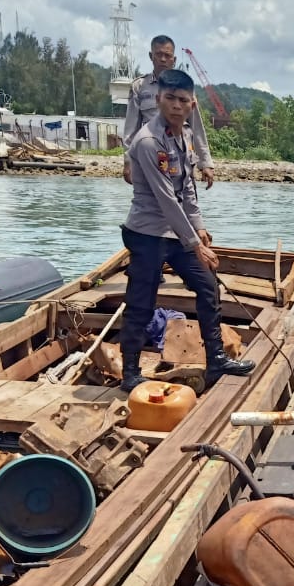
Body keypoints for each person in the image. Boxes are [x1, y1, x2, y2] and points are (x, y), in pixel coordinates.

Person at [119, 69, 254, 391]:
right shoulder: (148, 142)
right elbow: (166, 199)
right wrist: (195, 243)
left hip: (178, 234)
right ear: (158, 99)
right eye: (170, 99)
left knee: (208, 287)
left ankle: (217, 360)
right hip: (148, 233)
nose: (176, 106)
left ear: (192, 104)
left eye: (183, 100)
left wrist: (200, 228)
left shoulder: (186, 136)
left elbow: (188, 190)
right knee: (142, 300)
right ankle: (130, 372)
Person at [122, 35, 214, 189]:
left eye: (167, 55)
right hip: (151, 155)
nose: (163, 59)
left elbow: (196, 127)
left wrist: (205, 163)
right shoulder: (139, 86)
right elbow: (131, 129)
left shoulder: (185, 86)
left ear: (174, 59)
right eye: (159, 55)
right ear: (151, 56)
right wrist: (128, 161)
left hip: (181, 155)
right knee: (151, 204)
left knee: (185, 201)